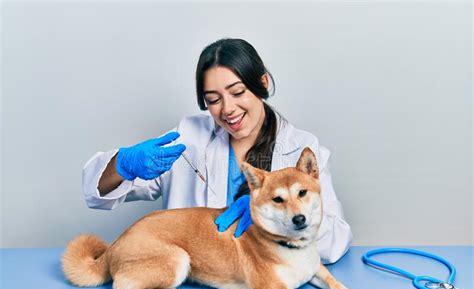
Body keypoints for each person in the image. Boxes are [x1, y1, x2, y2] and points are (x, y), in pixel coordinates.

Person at [82, 38, 352, 264]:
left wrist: (276, 219)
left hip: (264, 280)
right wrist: (122, 165)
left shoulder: (301, 148)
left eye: (237, 92)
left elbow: (335, 243)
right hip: (190, 278)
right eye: (213, 99)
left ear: (263, 83)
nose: (227, 109)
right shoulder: (188, 136)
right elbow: (96, 193)